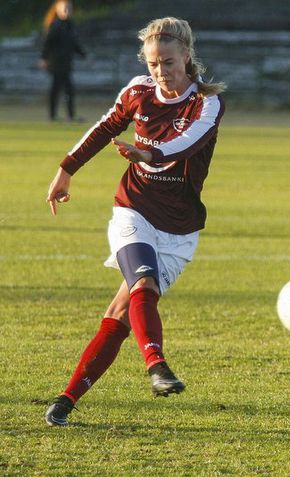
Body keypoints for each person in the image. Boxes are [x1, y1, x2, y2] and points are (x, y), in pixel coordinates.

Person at [43, 16, 226, 427]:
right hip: (135, 209)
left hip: (179, 230)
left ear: (187, 58)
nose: (161, 72)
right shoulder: (139, 91)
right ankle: (157, 366)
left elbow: (187, 144)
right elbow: (104, 126)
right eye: (154, 64)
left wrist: (149, 154)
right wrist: (66, 169)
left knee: (123, 311)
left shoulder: (207, 104)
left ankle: (66, 400)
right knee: (143, 283)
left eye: (169, 62)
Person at [39, 0, 85, 122]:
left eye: (69, 8)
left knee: (68, 89)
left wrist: (84, 55)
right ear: (57, 10)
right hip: (56, 63)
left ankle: (69, 116)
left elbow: (74, 44)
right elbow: (47, 43)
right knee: (57, 89)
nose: (67, 11)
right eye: (64, 8)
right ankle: (53, 116)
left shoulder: (70, 25)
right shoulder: (55, 25)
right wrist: (44, 58)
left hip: (66, 63)